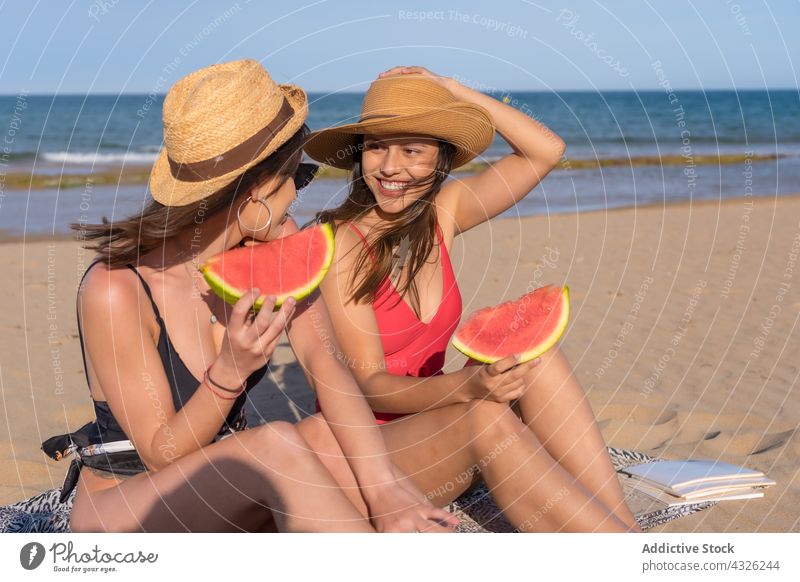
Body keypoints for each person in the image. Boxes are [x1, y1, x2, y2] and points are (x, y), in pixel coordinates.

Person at [45, 59, 458, 533]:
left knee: (326, 434)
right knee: (275, 443)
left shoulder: (277, 243)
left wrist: (384, 488)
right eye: (298, 178)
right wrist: (230, 370)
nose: (297, 199)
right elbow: (162, 454)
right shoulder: (116, 288)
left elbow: (327, 367)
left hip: (227, 483)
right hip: (125, 503)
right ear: (259, 191)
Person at [299, 66, 642, 532]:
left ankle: (623, 531)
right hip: (371, 452)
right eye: (376, 147)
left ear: (440, 157)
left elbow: (546, 151)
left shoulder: (443, 213)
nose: (390, 167)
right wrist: (470, 388)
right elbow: (369, 386)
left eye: (412, 149)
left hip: (440, 419)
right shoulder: (341, 243)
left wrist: (455, 91)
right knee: (484, 418)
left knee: (539, 358)